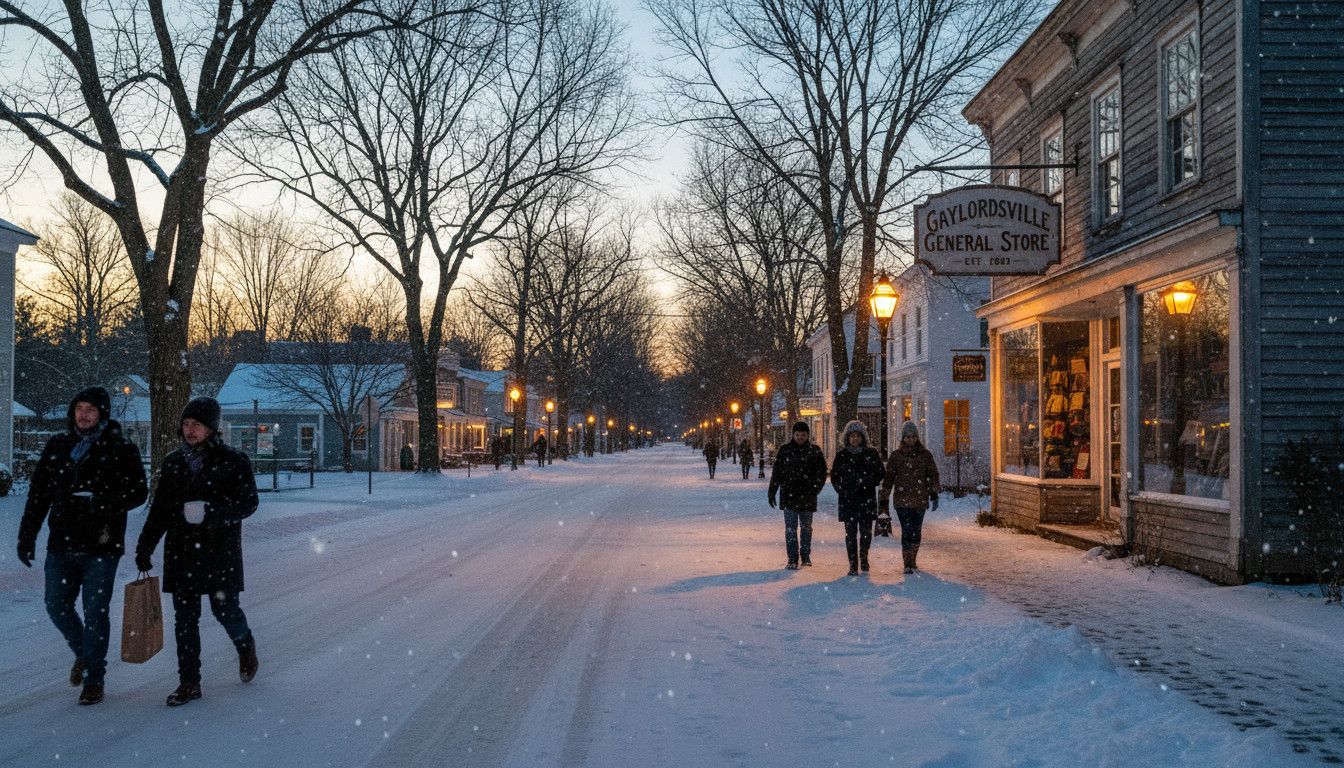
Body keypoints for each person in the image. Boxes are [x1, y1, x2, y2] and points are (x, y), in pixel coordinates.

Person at [17, 387, 147, 706]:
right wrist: (27, 535)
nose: (83, 414)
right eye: (79, 409)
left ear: (102, 413)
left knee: (95, 611)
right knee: (56, 605)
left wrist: (104, 503)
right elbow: (38, 494)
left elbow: (139, 492)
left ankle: (95, 679)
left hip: (102, 545)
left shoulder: (120, 447)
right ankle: (85, 655)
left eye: (90, 409)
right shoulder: (59, 446)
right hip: (61, 542)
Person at [136, 398, 259, 707]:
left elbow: (249, 502)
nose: (189, 430)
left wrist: (213, 513)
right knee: (185, 620)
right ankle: (189, 682)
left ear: (212, 428)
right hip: (182, 552)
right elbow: (161, 508)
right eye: (186, 424)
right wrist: (145, 545)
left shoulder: (234, 461)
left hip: (220, 552)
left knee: (225, 610)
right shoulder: (174, 462)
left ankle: (245, 645)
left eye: (197, 425)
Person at [881, 421, 941, 574]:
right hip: (902, 500)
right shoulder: (896, 456)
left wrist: (933, 492)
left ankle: (913, 558)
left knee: (916, 530)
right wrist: (884, 495)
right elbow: (889, 477)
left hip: (920, 499)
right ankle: (907, 562)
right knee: (907, 530)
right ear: (903, 438)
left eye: (913, 437)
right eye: (908, 437)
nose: (911, 440)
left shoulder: (925, 455)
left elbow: (933, 474)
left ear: (917, 437)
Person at [767, 421, 827, 569]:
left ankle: (805, 556)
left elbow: (821, 472)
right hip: (789, 495)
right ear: (793, 435)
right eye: (798, 434)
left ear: (807, 435)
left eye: (803, 435)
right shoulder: (785, 451)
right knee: (790, 528)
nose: (800, 437)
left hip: (807, 495)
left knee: (806, 528)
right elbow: (777, 473)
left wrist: (815, 488)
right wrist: (772, 491)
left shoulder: (814, 451)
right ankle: (792, 558)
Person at [830, 420, 885, 575]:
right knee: (851, 534)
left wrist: (869, 483)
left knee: (866, 533)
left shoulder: (871, 454)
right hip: (848, 500)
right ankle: (853, 563)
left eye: (858, 436)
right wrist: (841, 489)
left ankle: (864, 557)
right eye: (852, 436)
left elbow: (880, 472)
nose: (855, 439)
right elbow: (834, 476)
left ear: (863, 437)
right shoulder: (842, 455)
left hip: (866, 498)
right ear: (847, 437)